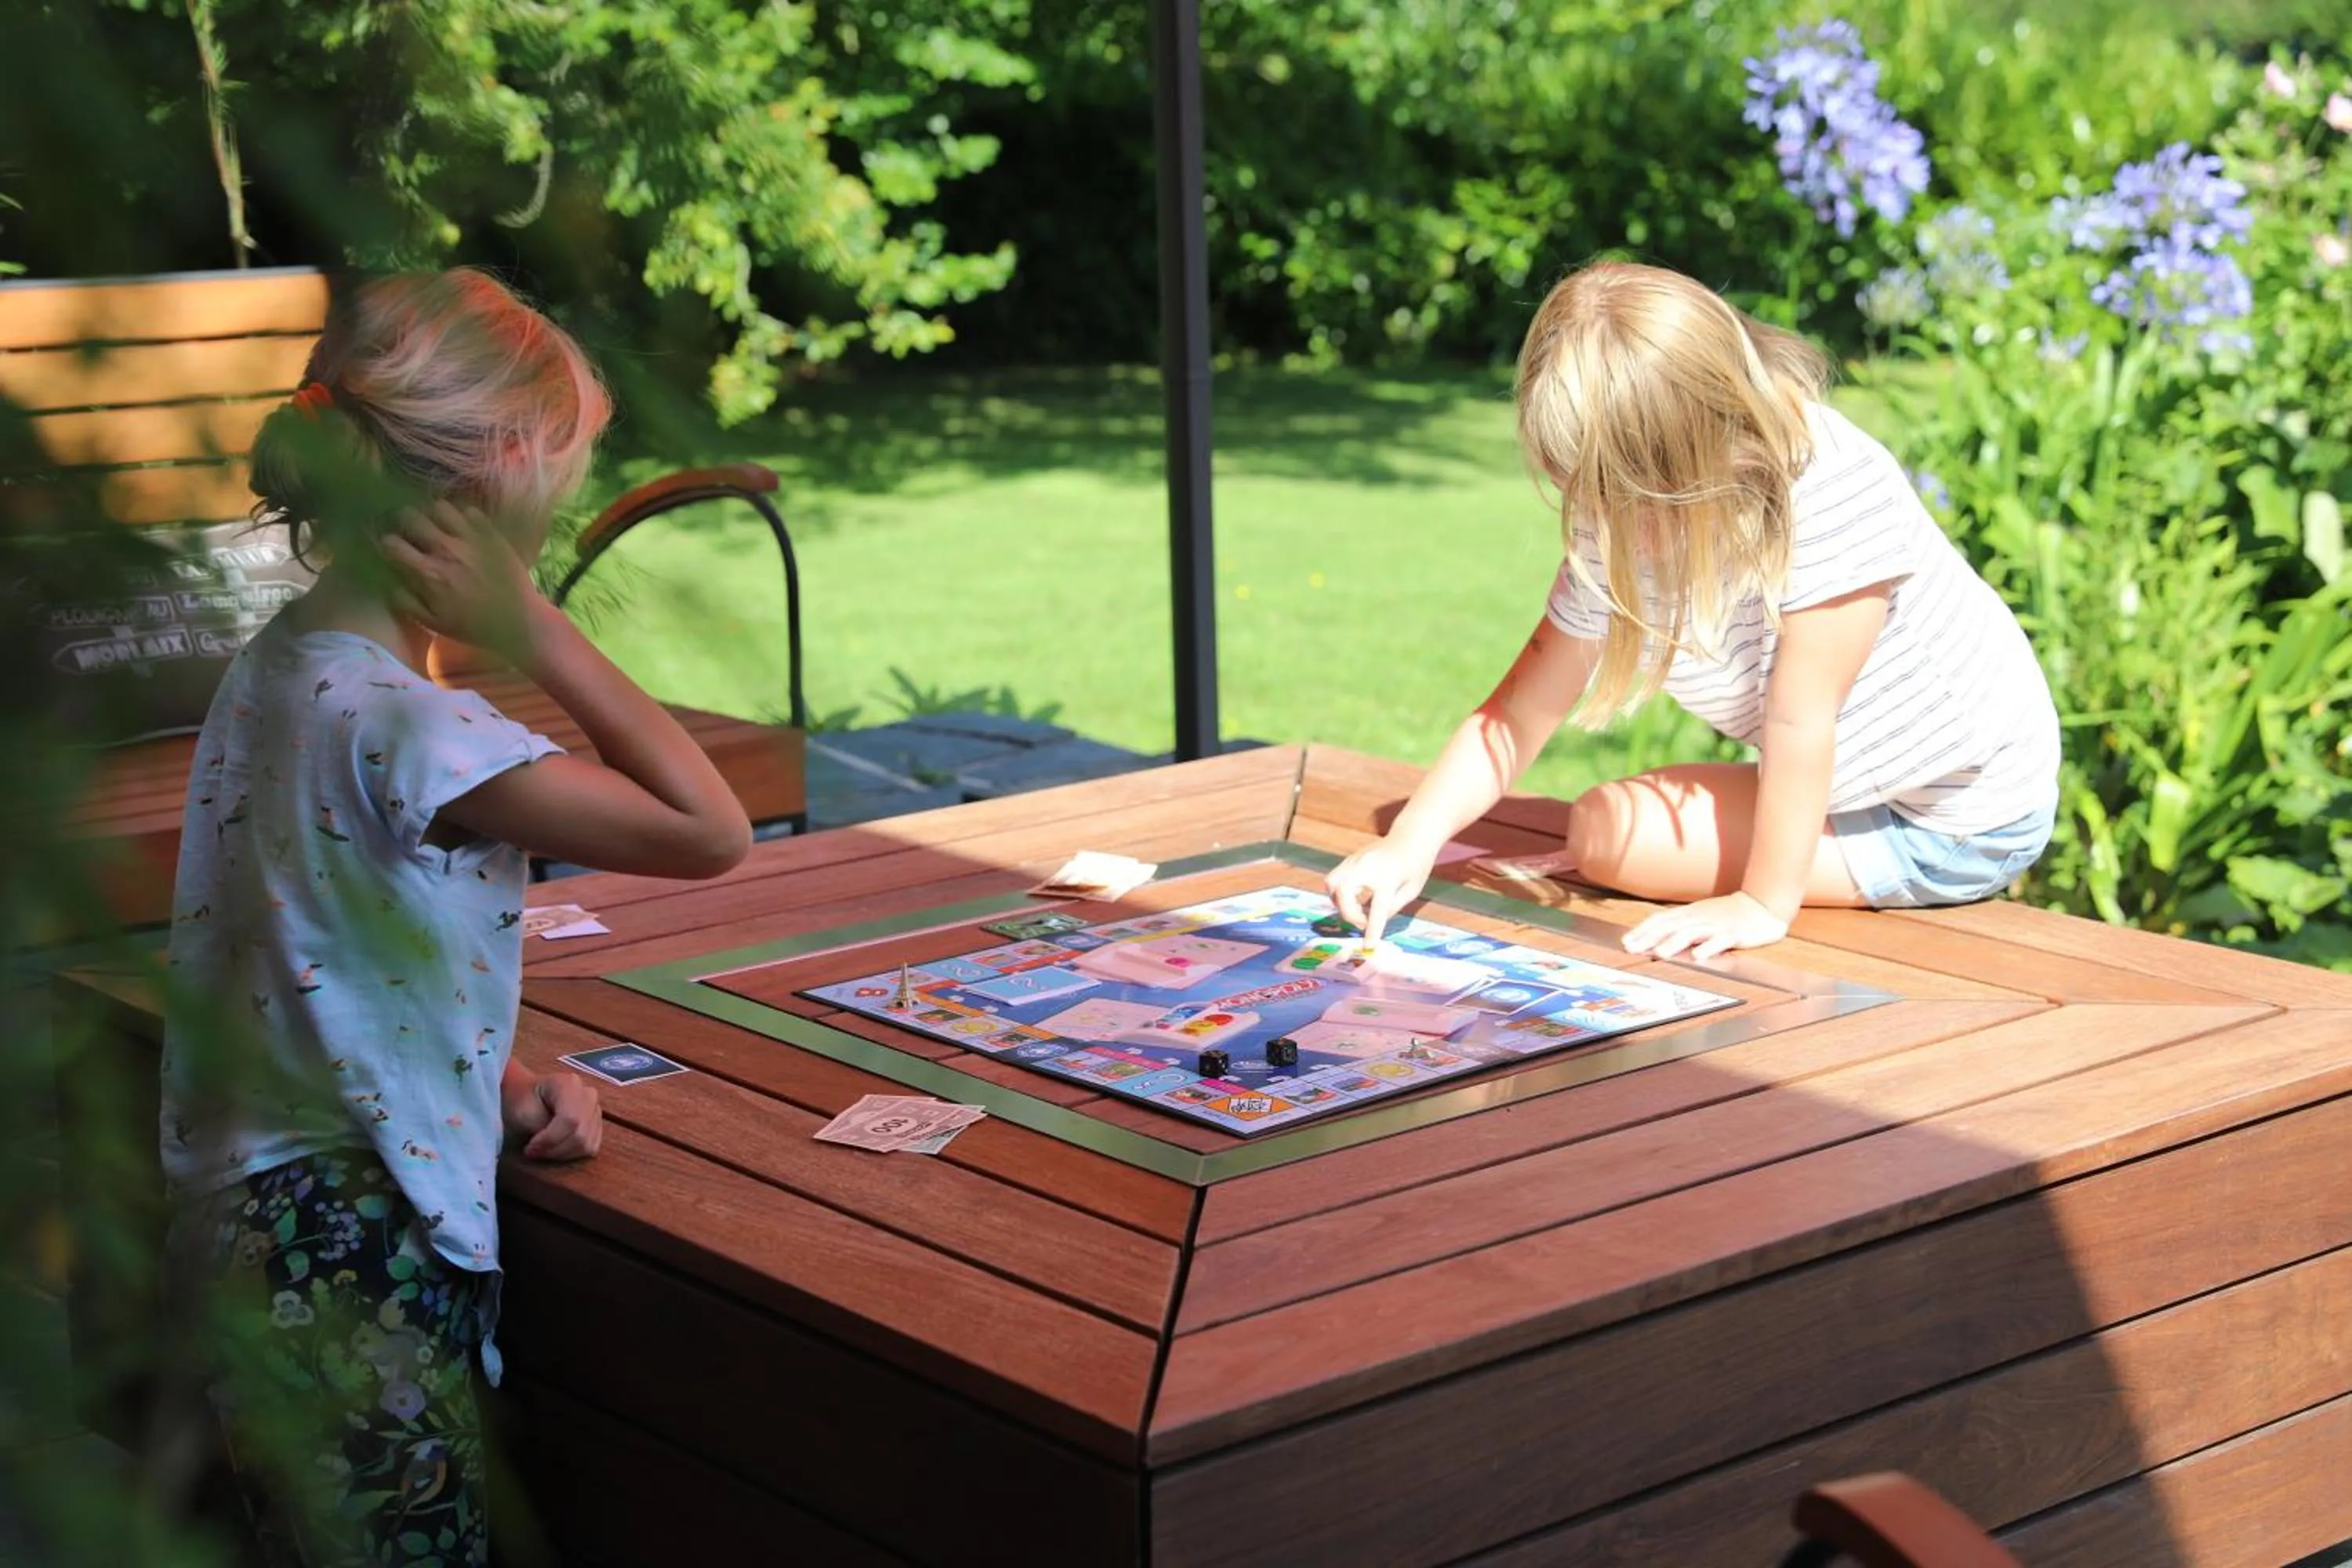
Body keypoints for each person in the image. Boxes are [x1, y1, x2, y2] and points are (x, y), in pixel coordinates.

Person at [157, 267, 753, 1566]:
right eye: (554, 498)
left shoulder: (278, 674)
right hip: (353, 1252)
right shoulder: (414, 729)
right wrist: (540, 636)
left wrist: (499, 1076)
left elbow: (324, 958)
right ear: (480, 502)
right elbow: (712, 831)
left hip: (256, 1230)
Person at [1327, 260, 2058, 962]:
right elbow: (1519, 712)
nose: (1597, 518)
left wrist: (1763, 905)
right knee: (1606, 828)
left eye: (1618, 496)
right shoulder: (1620, 515)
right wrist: (1410, 843)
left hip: (1956, 819)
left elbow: (1802, 721)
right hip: (1854, 785)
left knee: (1611, 839)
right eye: (1583, 492)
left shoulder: (1832, 492)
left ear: (1697, 456)